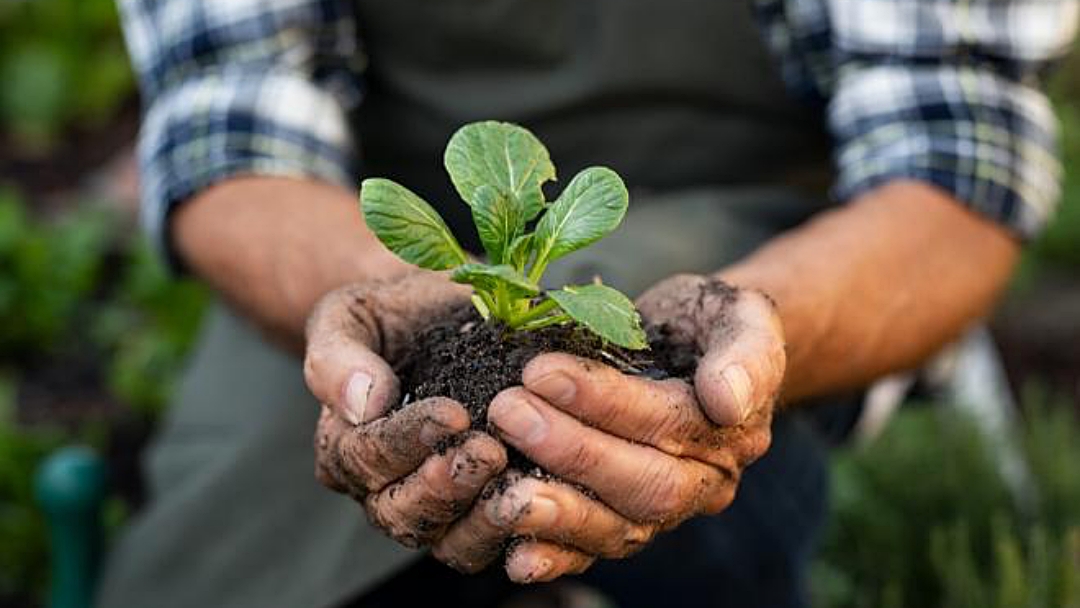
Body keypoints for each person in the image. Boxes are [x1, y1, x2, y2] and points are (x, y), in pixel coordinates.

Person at [99, 1, 1078, 607]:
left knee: (710, 499)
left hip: (773, 239)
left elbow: (950, 161)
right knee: (234, 549)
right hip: (349, 253)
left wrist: (760, 331)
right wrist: (378, 309)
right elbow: (228, 126)